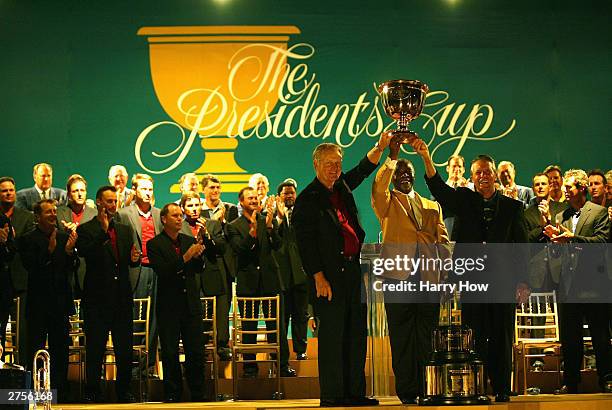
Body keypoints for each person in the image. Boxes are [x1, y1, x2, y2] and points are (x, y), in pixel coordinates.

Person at [410, 137, 529, 402]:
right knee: (475, 336)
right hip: (472, 280)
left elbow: (522, 246)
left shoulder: (513, 207)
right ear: (472, 177)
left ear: (495, 174)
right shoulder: (464, 200)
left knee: (502, 335)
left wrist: (523, 282)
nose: (483, 176)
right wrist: (426, 158)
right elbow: (439, 190)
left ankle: (501, 387)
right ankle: (479, 388)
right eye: (478, 173)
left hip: (503, 282)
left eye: (487, 171)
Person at [292, 134, 392, 407]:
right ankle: (334, 395)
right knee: (333, 337)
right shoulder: (307, 200)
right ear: (316, 165)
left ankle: (355, 393)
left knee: (356, 333)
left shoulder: (342, 188)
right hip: (328, 276)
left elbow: (362, 169)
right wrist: (318, 277)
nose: (335, 169)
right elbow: (305, 244)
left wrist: (381, 147)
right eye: (329, 164)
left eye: (337, 164)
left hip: (353, 271)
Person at [371, 135, 451, 404]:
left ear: (414, 177)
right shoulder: (386, 202)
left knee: (427, 336)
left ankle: (427, 388)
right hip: (398, 277)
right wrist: (391, 157)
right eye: (399, 173)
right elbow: (378, 185)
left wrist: (446, 274)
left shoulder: (431, 206)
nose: (404, 176)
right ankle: (407, 391)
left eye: (408, 172)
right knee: (402, 336)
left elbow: (443, 242)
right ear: (394, 178)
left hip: (428, 277)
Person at [544, 169, 612, 394]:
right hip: (567, 284)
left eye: (569, 187)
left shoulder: (598, 212)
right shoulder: (560, 216)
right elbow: (557, 254)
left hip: (593, 283)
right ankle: (571, 382)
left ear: (581, 189)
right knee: (570, 339)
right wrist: (554, 244)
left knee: (600, 336)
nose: (564, 190)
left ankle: (607, 378)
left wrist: (573, 239)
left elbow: (602, 242)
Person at [76, 186, 140, 403]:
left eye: (115, 201)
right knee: (95, 347)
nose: (113, 205)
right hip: (96, 298)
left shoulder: (124, 229)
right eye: (109, 201)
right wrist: (103, 231)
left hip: (121, 298)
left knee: (124, 349)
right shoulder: (86, 229)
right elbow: (85, 253)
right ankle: (92, 391)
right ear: (99, 203)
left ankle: (124, 391)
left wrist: (134, 259)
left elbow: (126, 260)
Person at [226, 187, 296, 378]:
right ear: (241, 202)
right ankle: (250, 368)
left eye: (256, 198)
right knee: (249, 328)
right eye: (250, 198)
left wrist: (271, 228)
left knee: (278, 328)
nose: (254, 201)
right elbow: (240, 250)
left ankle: (281, 366)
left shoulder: (268, 220)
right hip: (248, 285)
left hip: (270, 282)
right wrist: (253, 232)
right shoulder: (233, 226)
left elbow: (278, 245)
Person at [19, 199, 77, 402]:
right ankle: (34, 393)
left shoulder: (63, 237)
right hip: (38, 303)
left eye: (54, 211)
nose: (54, 215)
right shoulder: (27, 239)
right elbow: (30, 266)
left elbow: (71, 267)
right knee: (35, 347)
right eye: (48, 212)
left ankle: (59, 392)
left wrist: (69, 251)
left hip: (60, 303)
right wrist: (49, 251)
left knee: (61, 348)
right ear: (37, 217)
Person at [147, 203, 207, 402]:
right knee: (170, 352)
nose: (179, 218)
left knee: (195, 351)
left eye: (180, 215)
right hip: (169, 306)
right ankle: (173, 393)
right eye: (175, 215)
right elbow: (164, 272)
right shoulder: (155, 244)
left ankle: (198, 392)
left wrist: (199, 254)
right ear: (164, 219)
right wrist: (187, 256)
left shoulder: (188, 239)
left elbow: (198, 268)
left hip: (190, 303)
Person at [116, 173, 162, 376]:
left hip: (157, 270)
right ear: (134, 190)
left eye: (150, 189)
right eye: (143, 189)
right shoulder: (124, 214)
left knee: (154, 319)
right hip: (137, 271)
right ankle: (132, 365)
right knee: (134, 318)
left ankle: (148, 366)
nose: (147, 192)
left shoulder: (160, 214)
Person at [200, 174, 238, 360]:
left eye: (218, 187)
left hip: (224, 264)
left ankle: (223, 345)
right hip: (206, 264)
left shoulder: (230, 209)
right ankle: (205, 344)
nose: (215, 191)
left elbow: (234, 235)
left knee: (223, 307)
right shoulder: (198, 211)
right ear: (203, 190)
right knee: (205, 307)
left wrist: (222, 222)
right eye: (211, 188)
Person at [1, 176, 35, 365]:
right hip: (1, 281)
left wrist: (11, 240)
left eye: (11, 190)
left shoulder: (26, 217)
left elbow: (30, 245)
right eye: (4, 190)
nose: (8, 193)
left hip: (20, 282)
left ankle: (22, 374)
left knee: (22, 334)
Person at [274, 179, 309, 361]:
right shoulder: (272, 216)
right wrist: (279, 218)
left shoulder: (303, 213)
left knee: (301, 314)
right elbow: (273, 240)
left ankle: (301, 349)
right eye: (285, 193)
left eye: (291, 193)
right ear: (279, 197)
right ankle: (282, 353)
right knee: (282, 317)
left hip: (301, 273)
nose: (289, 196)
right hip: (281, 275)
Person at [57, 174, 97, 297]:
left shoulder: (95, 215)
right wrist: (65, 234)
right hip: (65, 270)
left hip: (89, 271)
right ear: (69, 195)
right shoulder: (59, 213)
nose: (80, 194)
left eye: (82, 190)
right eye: (75, 191)